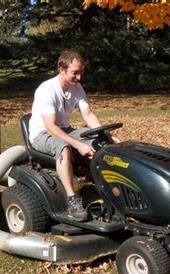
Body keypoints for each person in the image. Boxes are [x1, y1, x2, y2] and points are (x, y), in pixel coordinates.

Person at [28, 50, 118, 222]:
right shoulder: (46, 90)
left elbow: (88, 115)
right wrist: (77, 144)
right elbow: (50, 127)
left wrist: (107, 136)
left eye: (81, 73)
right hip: (42, 134)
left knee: (101, 141)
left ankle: (107, 187)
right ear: (62, 69)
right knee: (64, 149)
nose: (79, 77)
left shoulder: (76, 87)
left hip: (63, 129)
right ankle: (72, 200)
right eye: (74, 73)